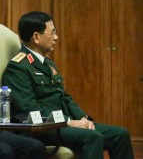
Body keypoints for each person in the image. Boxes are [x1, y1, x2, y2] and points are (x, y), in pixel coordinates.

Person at [2, 11, 134, 159]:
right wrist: (70, 122)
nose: (56, 37)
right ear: (36, 37)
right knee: (93, 137)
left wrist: (83, 118)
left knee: (120, 135)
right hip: (44, 129)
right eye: (52, 33)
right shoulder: (18, 67)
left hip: (62, 124)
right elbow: (29, 109)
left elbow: (64, 97)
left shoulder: (48, 64)